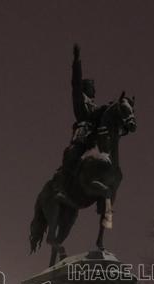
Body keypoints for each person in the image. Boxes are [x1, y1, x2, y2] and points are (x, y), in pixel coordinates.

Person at [54, 44, 108, 208]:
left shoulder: (96, 107)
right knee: (71, 156)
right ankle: (62, 188)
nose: (94, 90)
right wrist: (77, 61)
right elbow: (75, 83)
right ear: (86, 88)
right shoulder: (79, 100)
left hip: (93, 141)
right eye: (92, 87)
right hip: (81, 138)